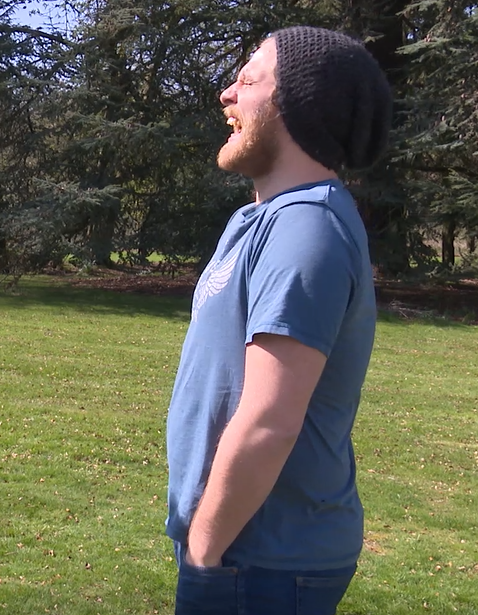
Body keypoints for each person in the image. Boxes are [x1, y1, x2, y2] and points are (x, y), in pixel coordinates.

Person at [164, 26, 392, 615]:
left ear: (298, 103)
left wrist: (205, 551)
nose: (226, 94)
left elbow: (270, 421)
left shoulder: (306, 229)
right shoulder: (261, 221)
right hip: (243, 550)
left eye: (248, 79)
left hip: (263, 563)